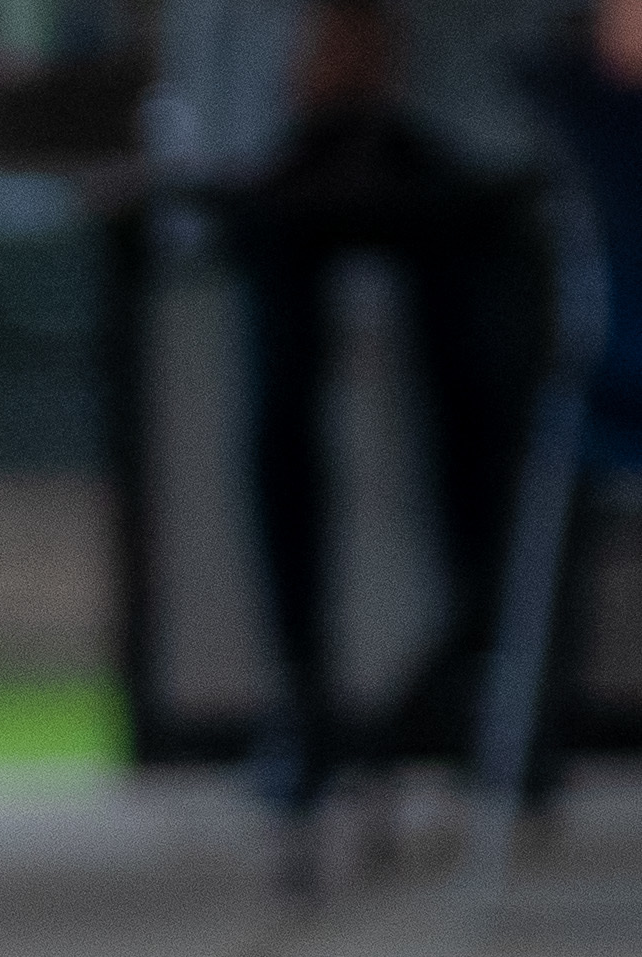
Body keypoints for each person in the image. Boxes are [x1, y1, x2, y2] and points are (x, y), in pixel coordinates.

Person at [163, 1, 555, 826]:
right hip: (273, 100)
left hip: (467, 95)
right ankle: (300, 700)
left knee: (487, 412)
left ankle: (492, 686)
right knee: (279, 407)